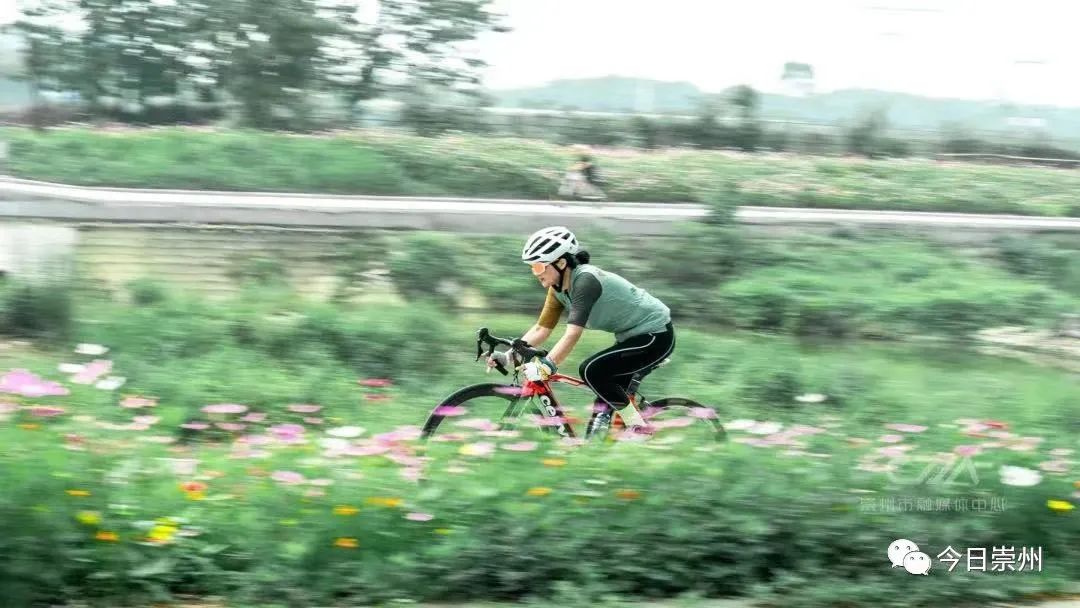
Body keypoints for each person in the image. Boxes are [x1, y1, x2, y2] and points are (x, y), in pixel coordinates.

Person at [489, 226, 674, 432]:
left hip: (655, 334)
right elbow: (542, 328)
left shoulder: (585, 281)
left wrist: (547, 365)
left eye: (539, 267)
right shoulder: (558, 289)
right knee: (601, 409)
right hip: (630, 337)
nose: (535, 272)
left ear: (561, 263)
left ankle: (638, 428)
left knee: (591, 370)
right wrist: (508, 356)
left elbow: (573, 333)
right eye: (532, 267)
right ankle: (602, 447)